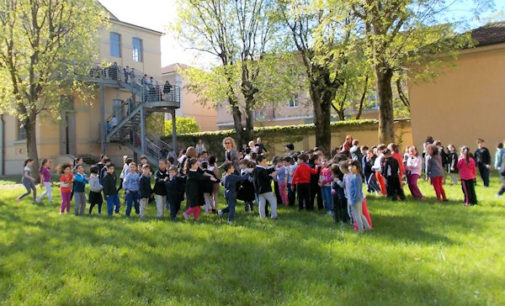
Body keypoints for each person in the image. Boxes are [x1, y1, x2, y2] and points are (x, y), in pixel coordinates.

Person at [347, 160, 371, 233]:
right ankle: (368, 227)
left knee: (357, 215)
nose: (350, 168)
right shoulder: (354, 176)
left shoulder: (357, 177)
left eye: (352, 166)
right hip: (356, 198)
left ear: (357, 168)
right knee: (360, 214)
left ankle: (361, 230)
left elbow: (357, 191)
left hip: (356, 199)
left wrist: (353, 200)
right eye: (349, 166)